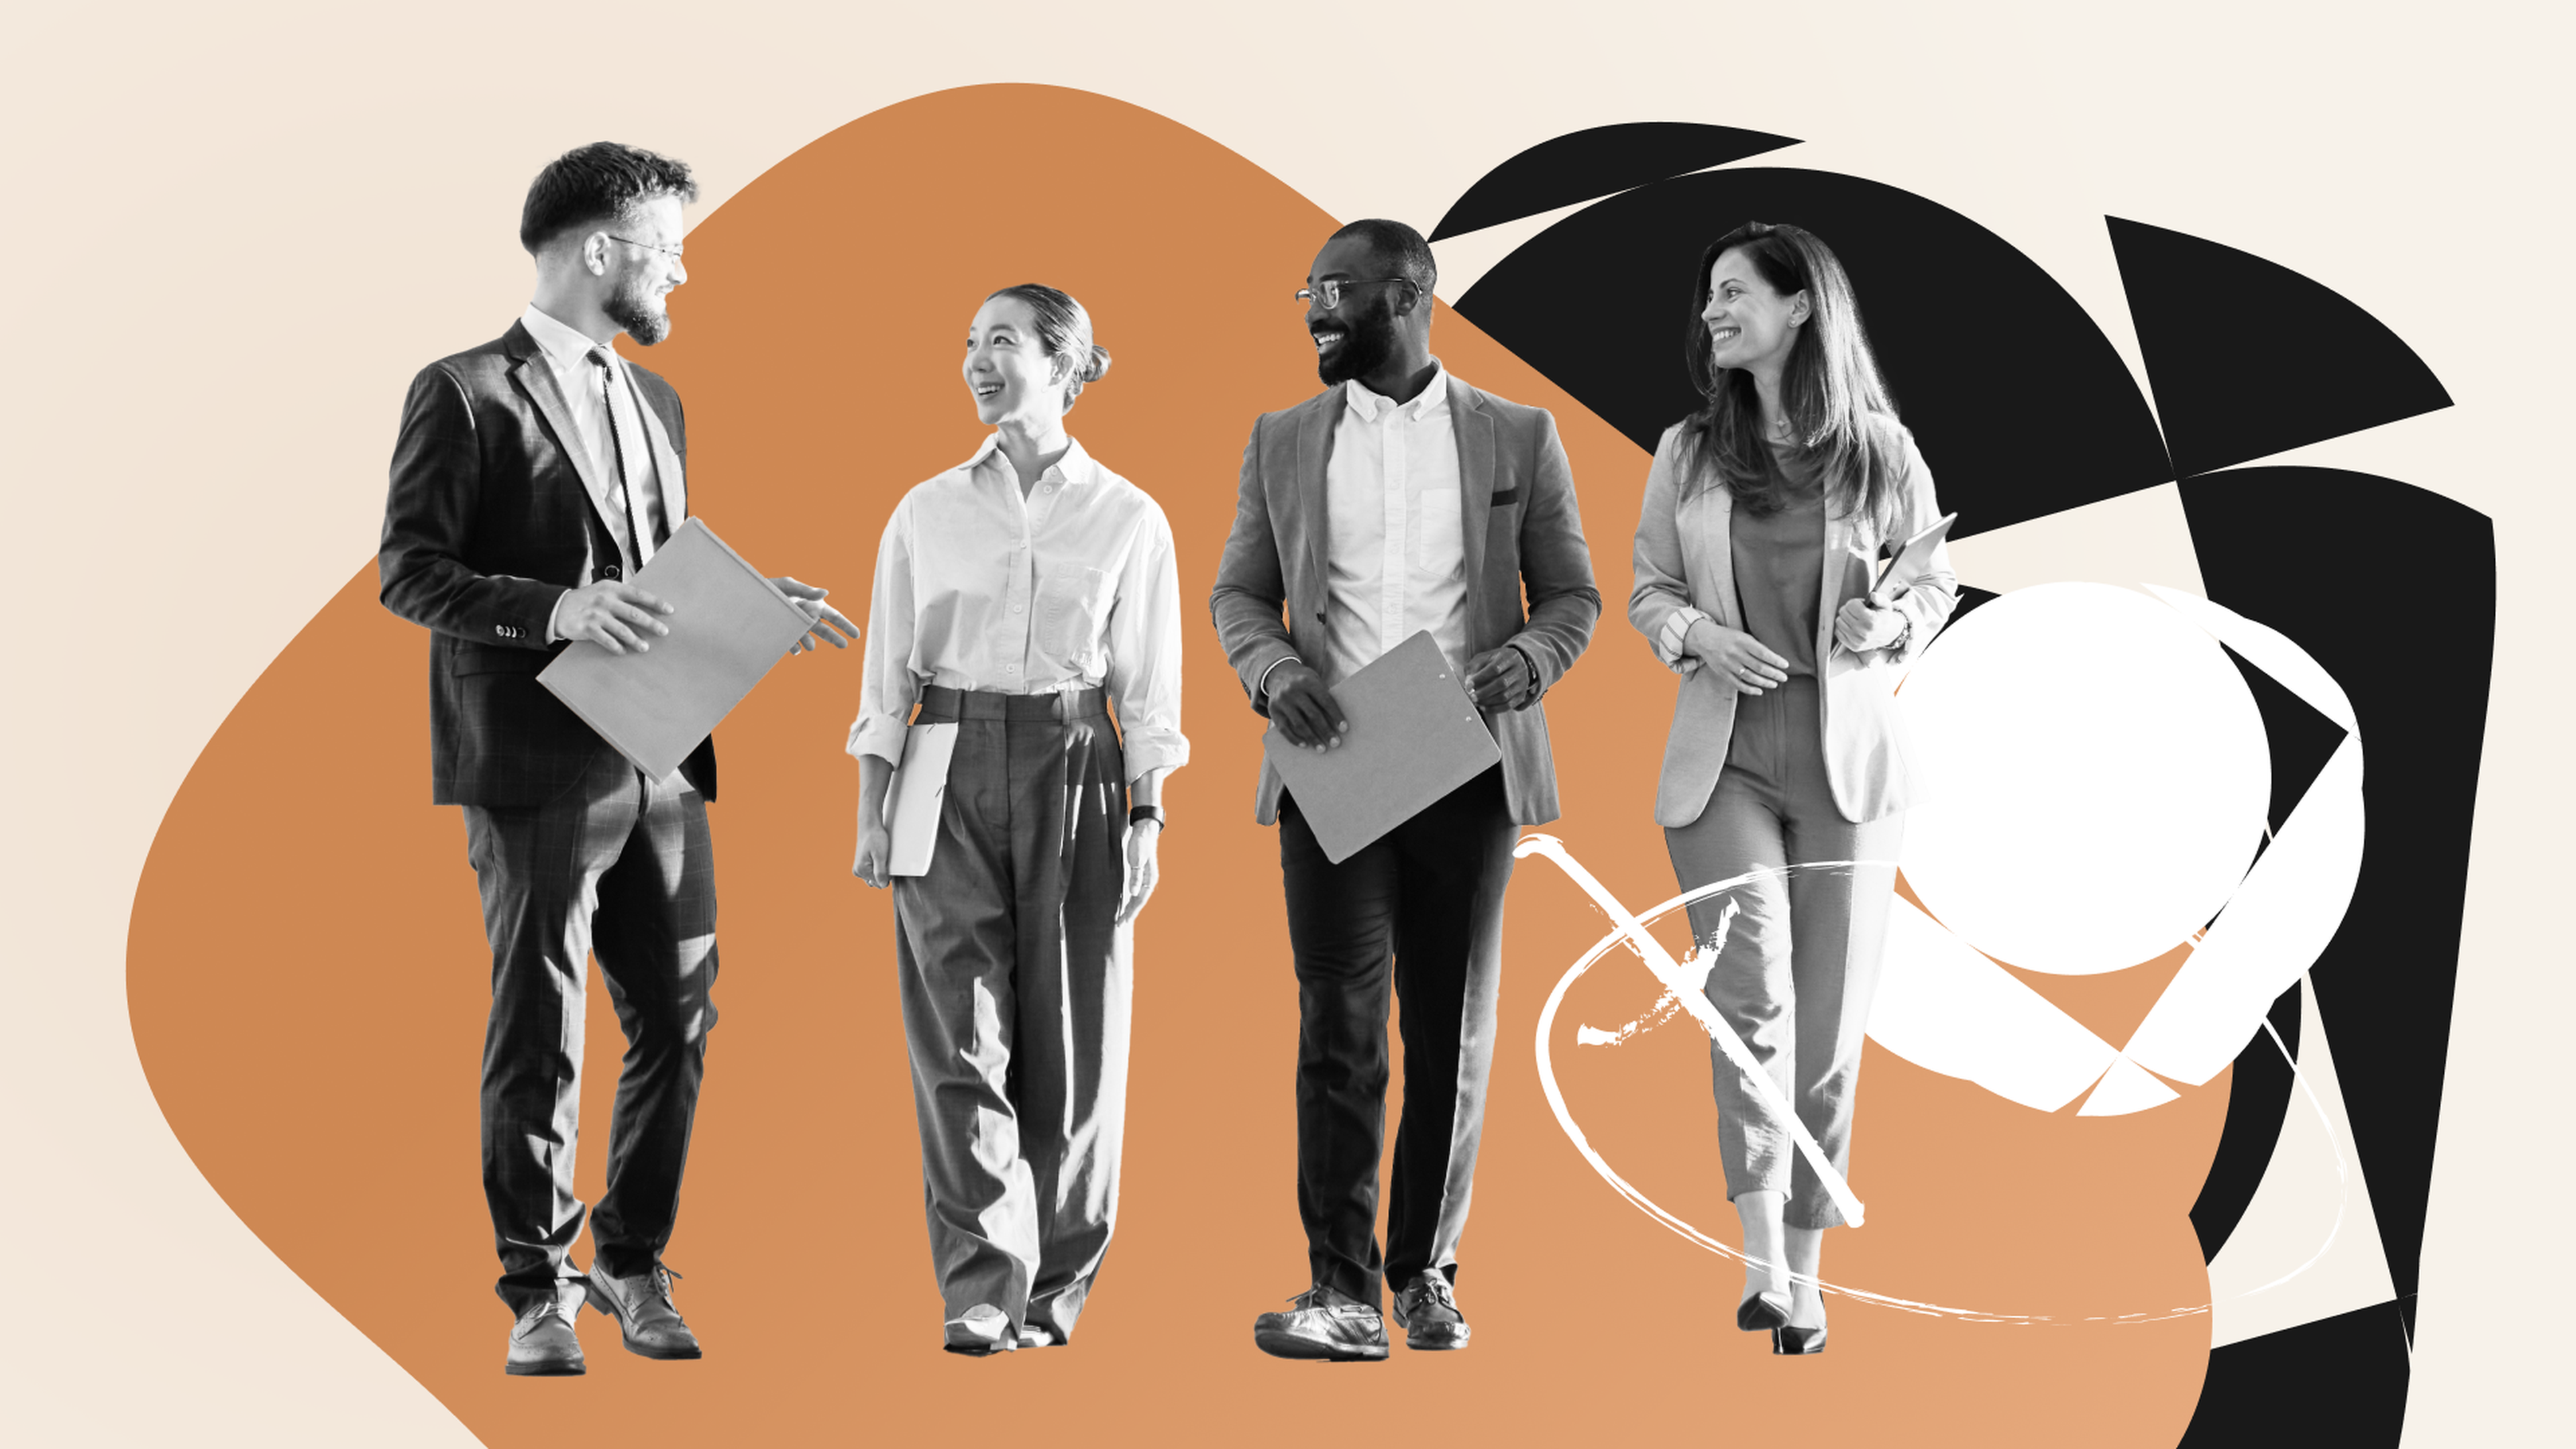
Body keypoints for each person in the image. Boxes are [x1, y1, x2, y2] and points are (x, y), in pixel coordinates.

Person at [378, 142, 855, 1377]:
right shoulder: (465, 390)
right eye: (670, 249)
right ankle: (537, 1292)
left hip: (665, 757)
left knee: (683, 1017)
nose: (681, 274)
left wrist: (753, 601)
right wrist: (554, 611)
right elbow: (409, 573)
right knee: (542, 1022)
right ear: (603, 251)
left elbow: (651, 572)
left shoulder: (660, 402)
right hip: (534, 763)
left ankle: (634, 1264)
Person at [1210, 219, 1600, 1361]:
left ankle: (1423, 1272)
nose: (1315, 312)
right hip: (1334, 760)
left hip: (1465, 758)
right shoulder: (1282, 437)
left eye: (1337, 291)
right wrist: (1276, 676)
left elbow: (1570, 597)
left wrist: (1523, 665)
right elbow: (1241, 592)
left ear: (1410, 294)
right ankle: (1338, 1291)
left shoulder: (1519, 433)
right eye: (1308, 293)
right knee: (1337, 1027)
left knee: (1449, 1031)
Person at [1627, 221, 1957, 1356]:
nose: (1713, 312)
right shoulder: (1687, 450)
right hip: (1722, 763)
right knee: (1750, 1004)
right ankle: (1762, 1261)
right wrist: (1695, 639)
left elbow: (1934, 585)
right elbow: (1648, 588)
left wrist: (1892, 619)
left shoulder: (1881, 451)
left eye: (1733, 293)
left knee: (1827, 1033)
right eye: (1709, 294)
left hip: (1846, 770)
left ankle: (1810, 1281)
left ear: (1799, 306)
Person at [849, 284, 1187, 1356]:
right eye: (967, 344)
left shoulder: (1130, 516)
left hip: (1083, 765)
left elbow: (1149, 690)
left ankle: (1056, 1290)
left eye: (1000, 341)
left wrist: (1148, 817)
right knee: (959, 1036)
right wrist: (871, 808)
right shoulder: (924, 509)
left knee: (1076, 1043)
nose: (975, 361)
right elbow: (886, 674)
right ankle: (985, 1285)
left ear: (1064, 362)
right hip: (942, 763)